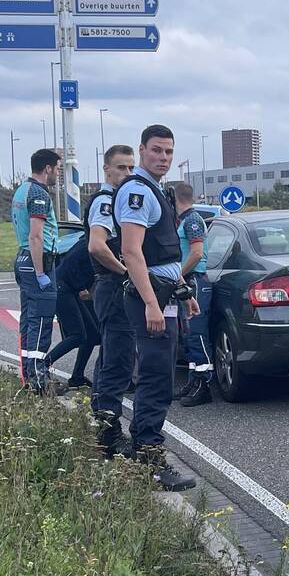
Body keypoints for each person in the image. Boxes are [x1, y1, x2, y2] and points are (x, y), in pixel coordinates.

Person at [115, 125, 198, 491]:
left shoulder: (155, 191)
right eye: (156, 151)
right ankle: (149, 458)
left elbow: (164, 254)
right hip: (151, 298)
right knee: (155, 378)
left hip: (164, 294)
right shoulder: (136, 192)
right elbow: (131, 252)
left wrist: (183, 291)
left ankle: (145, 453)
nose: (163, 158)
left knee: (160, 376)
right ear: (142, 150)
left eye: (168, 152)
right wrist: (151, 302)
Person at [87, 144, 136, 457]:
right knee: (118, 363)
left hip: (110, 288)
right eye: (122, 168)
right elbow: (96, 246)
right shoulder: (106, 202)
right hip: (113, 287)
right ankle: (110, 435)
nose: (128, 174)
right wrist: (126, 272)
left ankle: (102, 425)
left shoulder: (117, 200)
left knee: (110, 359)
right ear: (107, 169)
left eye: (131, 168)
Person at [11, 148, 61, 395]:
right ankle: (40, 381)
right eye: (58, 169)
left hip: (22, 259)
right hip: (37, 262)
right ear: (48, 168)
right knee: (42, 322)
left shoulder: (21, 190)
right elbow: (36, 235)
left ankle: (29, 375)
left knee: (29, 321)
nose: (58, 174)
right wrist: (41, 271)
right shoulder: (39, 194)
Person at [172, 182, 213, 407]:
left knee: (196, 334)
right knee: (188, 336)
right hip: (187, 281)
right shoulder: (184, 220)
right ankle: (193, 380)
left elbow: (196, 254)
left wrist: (176, 274)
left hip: (194, 280)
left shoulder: (192, 220)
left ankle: (204, 384)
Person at [46, 231, 100, 388]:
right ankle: (41, 367)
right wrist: (82, 287)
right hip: (62, 288)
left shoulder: (87, 242)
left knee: (92, 335)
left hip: (69, 288)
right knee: (77, 335)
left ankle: (77, 377)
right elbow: (71, 264)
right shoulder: (88, 245)